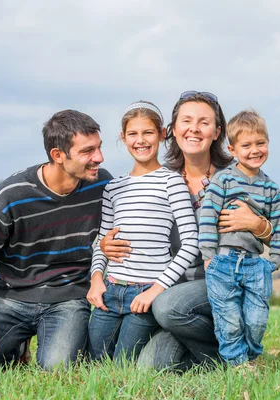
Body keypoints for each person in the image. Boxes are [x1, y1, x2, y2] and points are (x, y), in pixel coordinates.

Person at [99, 91, 273, 370]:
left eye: (204, 122)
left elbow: (273, 231)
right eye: (187, 121)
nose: (194, 128)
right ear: (174, 130)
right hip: (172, 285)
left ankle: (237, 349)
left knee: (168, 308)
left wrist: (258, 225)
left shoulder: (238, 174)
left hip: (222, 281)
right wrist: (107, 246)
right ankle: (218, 354)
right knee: (150, 367)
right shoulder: (161, 179)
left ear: (217, 132)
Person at [0, 110, 112, 373]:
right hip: (11, 296)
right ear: (58, 155)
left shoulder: (101, 184)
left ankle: (22, 343)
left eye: (99, 147)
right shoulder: (10, 197)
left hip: (69, 297)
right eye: (88, 151)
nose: (99, 157)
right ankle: (15, 345)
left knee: (58, 369)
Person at [86, 101, 199, 362]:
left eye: (148, 133)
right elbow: (103, 241)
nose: (141, 141)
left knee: (122, 364)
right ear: (123, 138)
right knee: (92, 362)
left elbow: (191, 242)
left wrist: (156, 290)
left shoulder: (172, 182)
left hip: (147, 292)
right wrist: (96, 279)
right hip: (110, 290)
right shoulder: (113, 187)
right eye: (133, 134)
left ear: (161, 134)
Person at [199, 109, 280, 366]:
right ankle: (236, 365)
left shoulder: (270, 188)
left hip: (254, 264)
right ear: (232, 149)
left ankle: (251, 356)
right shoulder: (224, 179)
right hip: (223, 262)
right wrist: (208, 257)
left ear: (268, 143)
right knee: (228, 319)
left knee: (256, 319)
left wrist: (274, 259)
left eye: (260, 143)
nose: (254, 150)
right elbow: (207, 217)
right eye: (246, 145)